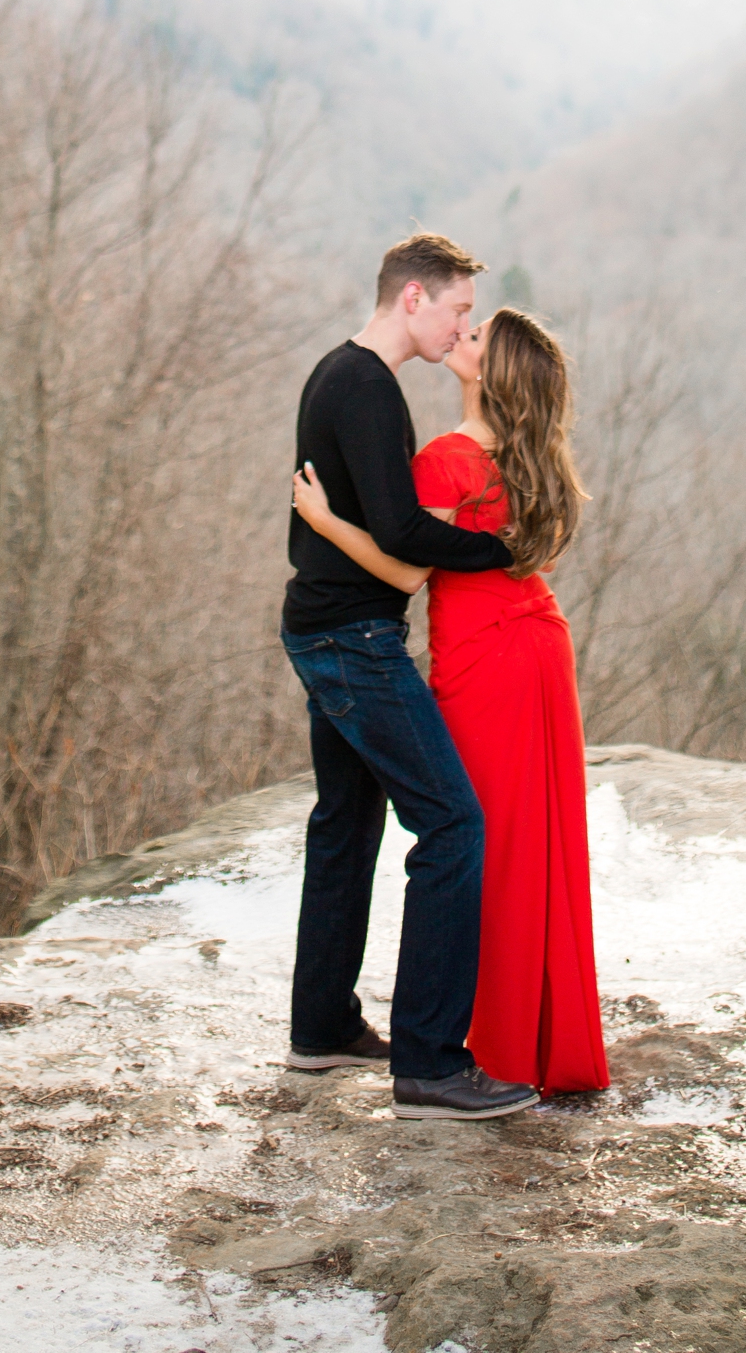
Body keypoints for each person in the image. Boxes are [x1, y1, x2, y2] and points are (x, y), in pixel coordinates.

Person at [294, 303, 608, 1097]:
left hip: (486, 661)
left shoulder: (447, 457)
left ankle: (462, 1046)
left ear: (487, 373)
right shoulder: (530, 453)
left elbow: (405, 573)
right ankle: (534, 1032)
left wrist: (326, 521)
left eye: (475, 338)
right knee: (536, 840)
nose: (460, 338)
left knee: (472, 836)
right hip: (541, 641)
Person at [281, 232, 539, 1122]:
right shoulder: (365, 386)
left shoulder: (341, 375)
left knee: (346, 827)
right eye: (460, 309)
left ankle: (320, 1028)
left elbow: (373, 525)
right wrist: (500, 549)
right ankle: (431, 1062)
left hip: (327, 628)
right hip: (352, 640)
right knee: (453, 823)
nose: (464, 326)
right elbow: (398, 530)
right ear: (415, 298)